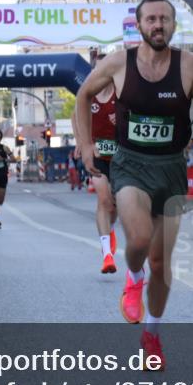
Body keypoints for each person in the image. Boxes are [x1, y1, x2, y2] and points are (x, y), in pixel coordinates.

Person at [75, 0, 193, 371]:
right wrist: (86, 144)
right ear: (139, 26)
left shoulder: (191, 65)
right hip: (130, 163)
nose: (158, 25)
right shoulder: (119, 62)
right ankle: (132, 278)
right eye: (151, 19)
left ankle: (151, 336)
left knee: (161, 262)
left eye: (164, 19)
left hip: (171, 167)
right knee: (138, 239)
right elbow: (84, 94)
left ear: (173, 25)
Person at [80, 52, 121, 273]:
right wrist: (83, 143)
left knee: (115, 206)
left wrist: (121, 121)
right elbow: (76, 117)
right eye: (97, 68)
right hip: (98, 157)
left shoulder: (122, 92)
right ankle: (107, 255)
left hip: (121, 158)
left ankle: (110, 228)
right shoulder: (89, 94)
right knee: (104, 200)